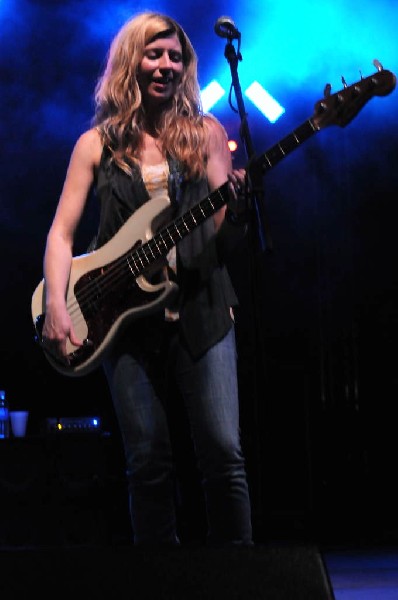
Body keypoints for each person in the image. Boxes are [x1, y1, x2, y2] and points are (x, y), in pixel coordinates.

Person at [40, 10, 253, 547]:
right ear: (130, 62)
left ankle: (241, 581)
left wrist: (241, 211)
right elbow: (62, 235)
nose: (165, 65)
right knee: (148, 463)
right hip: (123, 323)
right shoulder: (97, 145)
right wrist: (60, 310)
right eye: (154, 54)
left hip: (204, 311)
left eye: (175, 56)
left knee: (223, 456)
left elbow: (225, 243)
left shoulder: (207, 134)